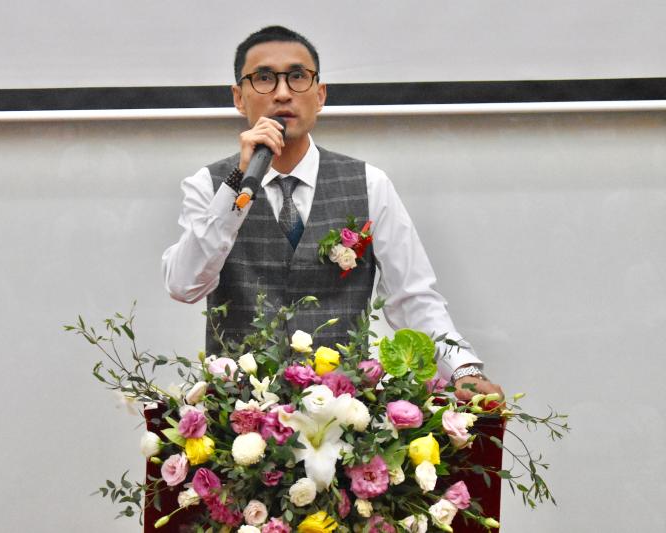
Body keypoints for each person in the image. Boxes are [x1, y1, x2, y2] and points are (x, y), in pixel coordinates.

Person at [162, 25, 502, 400]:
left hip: (344, 415)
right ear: (239, 98)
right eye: (264, 78)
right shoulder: (209, 186)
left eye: (297, 77)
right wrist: (238, 181)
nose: (282, 93)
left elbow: (412, 296)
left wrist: (463, 369)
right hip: (238, 418)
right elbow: (184, 285)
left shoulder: (369, 183)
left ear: (320, 95)